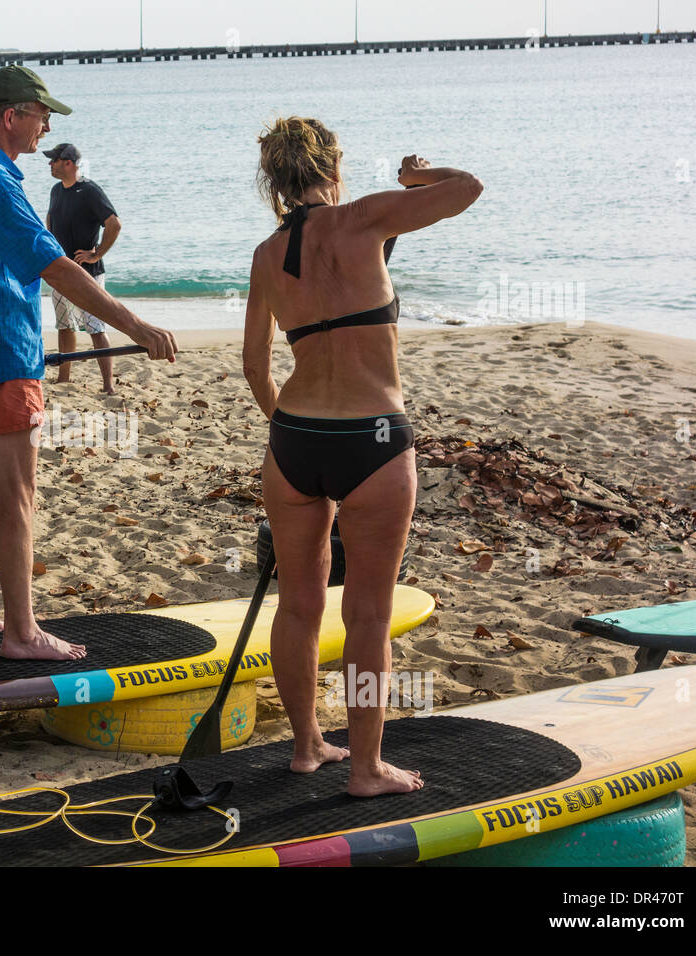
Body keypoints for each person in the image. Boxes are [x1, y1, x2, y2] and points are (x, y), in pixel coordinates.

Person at [242, 117, 482, 796]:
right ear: (332, 167)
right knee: (368, 615)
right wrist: (419, 177)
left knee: (298, 606)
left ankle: (306, 746)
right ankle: (368, 768)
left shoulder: (265, 253)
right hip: (372, 439)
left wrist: (286, 429)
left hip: (293, 441)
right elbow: (468, 188)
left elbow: (254, 363)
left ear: (275, 180)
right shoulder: (365, 218)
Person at [0, 65, 177, 661]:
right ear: (12, 116)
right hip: (2, 355)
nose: (47, 129)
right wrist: (135, 326)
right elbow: (58, 267)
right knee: (17, 495)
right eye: (43, 116)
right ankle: (21, 631)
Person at [44, 143, 122, 393]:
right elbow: (49, 220)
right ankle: (64, 378)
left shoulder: (89, 191)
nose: (49, 164)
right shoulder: (56, 190)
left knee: (96, 327)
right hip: (60, 272)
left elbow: (114, 224)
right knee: (65, 326)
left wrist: (96, 253)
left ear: (68, 163)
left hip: (88, 273)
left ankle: (108, 385)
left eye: (53, 160)